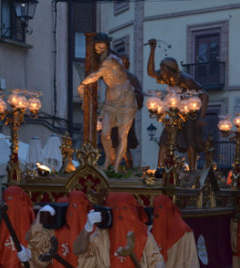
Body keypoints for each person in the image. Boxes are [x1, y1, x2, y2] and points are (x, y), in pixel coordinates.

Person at [78, 33, 137, 171]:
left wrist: (81, 84)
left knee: (123, 134)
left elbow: (95, 75)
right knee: (105, 133)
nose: (98, 48)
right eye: (96, 45)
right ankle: (108, 160)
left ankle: (116, 166)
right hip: (111, 100)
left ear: (107, 45)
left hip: (125, 99)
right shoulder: (104, 59)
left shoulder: (110, 60)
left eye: (101, 45)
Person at [147, 38, 209, 170]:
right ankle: (160, 169)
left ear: (171, 70)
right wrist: (152, 50)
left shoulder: (186, 80)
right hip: (174, 113)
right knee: (164, 139)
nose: (161, 72)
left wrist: (201, 117)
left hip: (189, 113)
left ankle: (192, 170)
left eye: (163, 70)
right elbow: (151, 72)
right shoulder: (165, 77)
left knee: (189, 140)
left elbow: (204, 94)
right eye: (161, 70)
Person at [110, 53, 143, 169]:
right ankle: (114, 168)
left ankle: (130, 168)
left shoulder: (132, 78)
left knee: (124, 145)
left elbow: (139, 95)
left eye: (125, 63)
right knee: (113, 144)